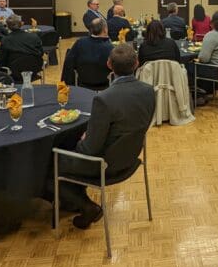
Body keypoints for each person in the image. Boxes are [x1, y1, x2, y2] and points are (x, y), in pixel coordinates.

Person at [56, 44, 155, 229]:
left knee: (50, 163)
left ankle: (86, 206)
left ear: (109, 64)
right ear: (137, 63)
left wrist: (81, 140)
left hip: (106, 166)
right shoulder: (149, 91)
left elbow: (89, 149)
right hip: (132, 157)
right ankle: (75, 197)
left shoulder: (104, 99)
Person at [192, 11, 218, 104]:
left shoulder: (210, 35)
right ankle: (208, 90)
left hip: (214, 71)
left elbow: (204, 59)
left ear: (212, 23)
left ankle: (197, 95)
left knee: (189, 67)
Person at [62, 18, 113, 85]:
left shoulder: (79, 43)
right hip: (104, 83)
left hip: (82, 82)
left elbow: (69, 62)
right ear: (105, 30)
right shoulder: (110, 48)